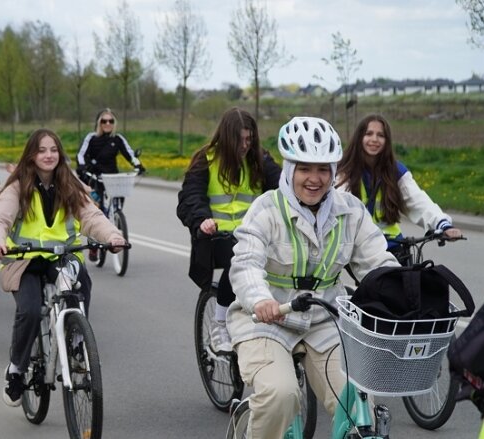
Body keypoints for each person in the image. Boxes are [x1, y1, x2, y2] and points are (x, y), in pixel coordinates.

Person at [227, 116, 400, 438]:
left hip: (326, 320)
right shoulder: (266, 209)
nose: (314, 179)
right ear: (290, 169)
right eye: (305, 169)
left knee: (358, 401)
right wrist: (260, 299)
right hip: (267, 321)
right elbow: (246, 262)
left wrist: (403, 294)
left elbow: (377, 261)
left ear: (334, 172)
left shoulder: (350, 210)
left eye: (323, 170)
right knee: (280, 395)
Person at [0, 128, 126, 407]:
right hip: (24, 260)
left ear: (60, 154)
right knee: (28, 310)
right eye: (41, 150)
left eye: (53, 150)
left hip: (62, 257)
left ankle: (75, 342)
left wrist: (112, 235)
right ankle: (16, 369)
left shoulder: (69, 183)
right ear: (31, 155)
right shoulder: (17, 186)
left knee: (78, 288)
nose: (49, 155)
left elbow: (91, 216)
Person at [176, 107, 281, 353]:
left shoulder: (260, 160)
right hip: (217, 238)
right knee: (238, 260)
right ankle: (220, 324)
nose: (245, 145)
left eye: (249, 139)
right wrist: (201, 219)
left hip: (255, 234)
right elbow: (190, 196)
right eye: (239, 140)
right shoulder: (206, 160)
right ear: (226, 137)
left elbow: (282, 186)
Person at [336, 114, 462, 266]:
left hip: (394, 245)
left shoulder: (396, 171)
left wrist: (442, 224)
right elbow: (339, 206)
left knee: (416, 282)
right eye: (369, 134)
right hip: (361, 248)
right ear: (359, 137)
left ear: (387, 141)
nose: (374, 139)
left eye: (380, 135)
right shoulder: (344, 171)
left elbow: (418, 201)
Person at [76, 108, 144, 261]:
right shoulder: (91, 138)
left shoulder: (117, 139)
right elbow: (80, 155)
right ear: (99, 123)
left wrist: (138, 165)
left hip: (113, 178)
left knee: (117, 207)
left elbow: (130, 154)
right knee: (97, 208)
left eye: (111, 121)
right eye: (104, 121)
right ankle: (93, 244)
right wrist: (82, 168)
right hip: (96, 177)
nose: (107, 123)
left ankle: (116, 219)